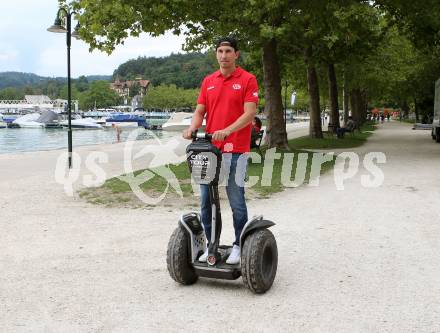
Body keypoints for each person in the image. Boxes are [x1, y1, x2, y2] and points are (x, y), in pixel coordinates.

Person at [182, 36, 258, 264]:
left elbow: (250, 114)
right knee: (206, 200)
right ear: (216, 54)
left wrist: (227, 130)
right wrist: (192, 127)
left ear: (236, 54)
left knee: (236, 200)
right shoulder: (209, 81)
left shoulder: (247, 79)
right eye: (220, 51)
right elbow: (200, 111)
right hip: (210, 151)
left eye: (228, 51)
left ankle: (238, 245)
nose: (223, 55)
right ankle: (211, 244)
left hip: (236, 149)